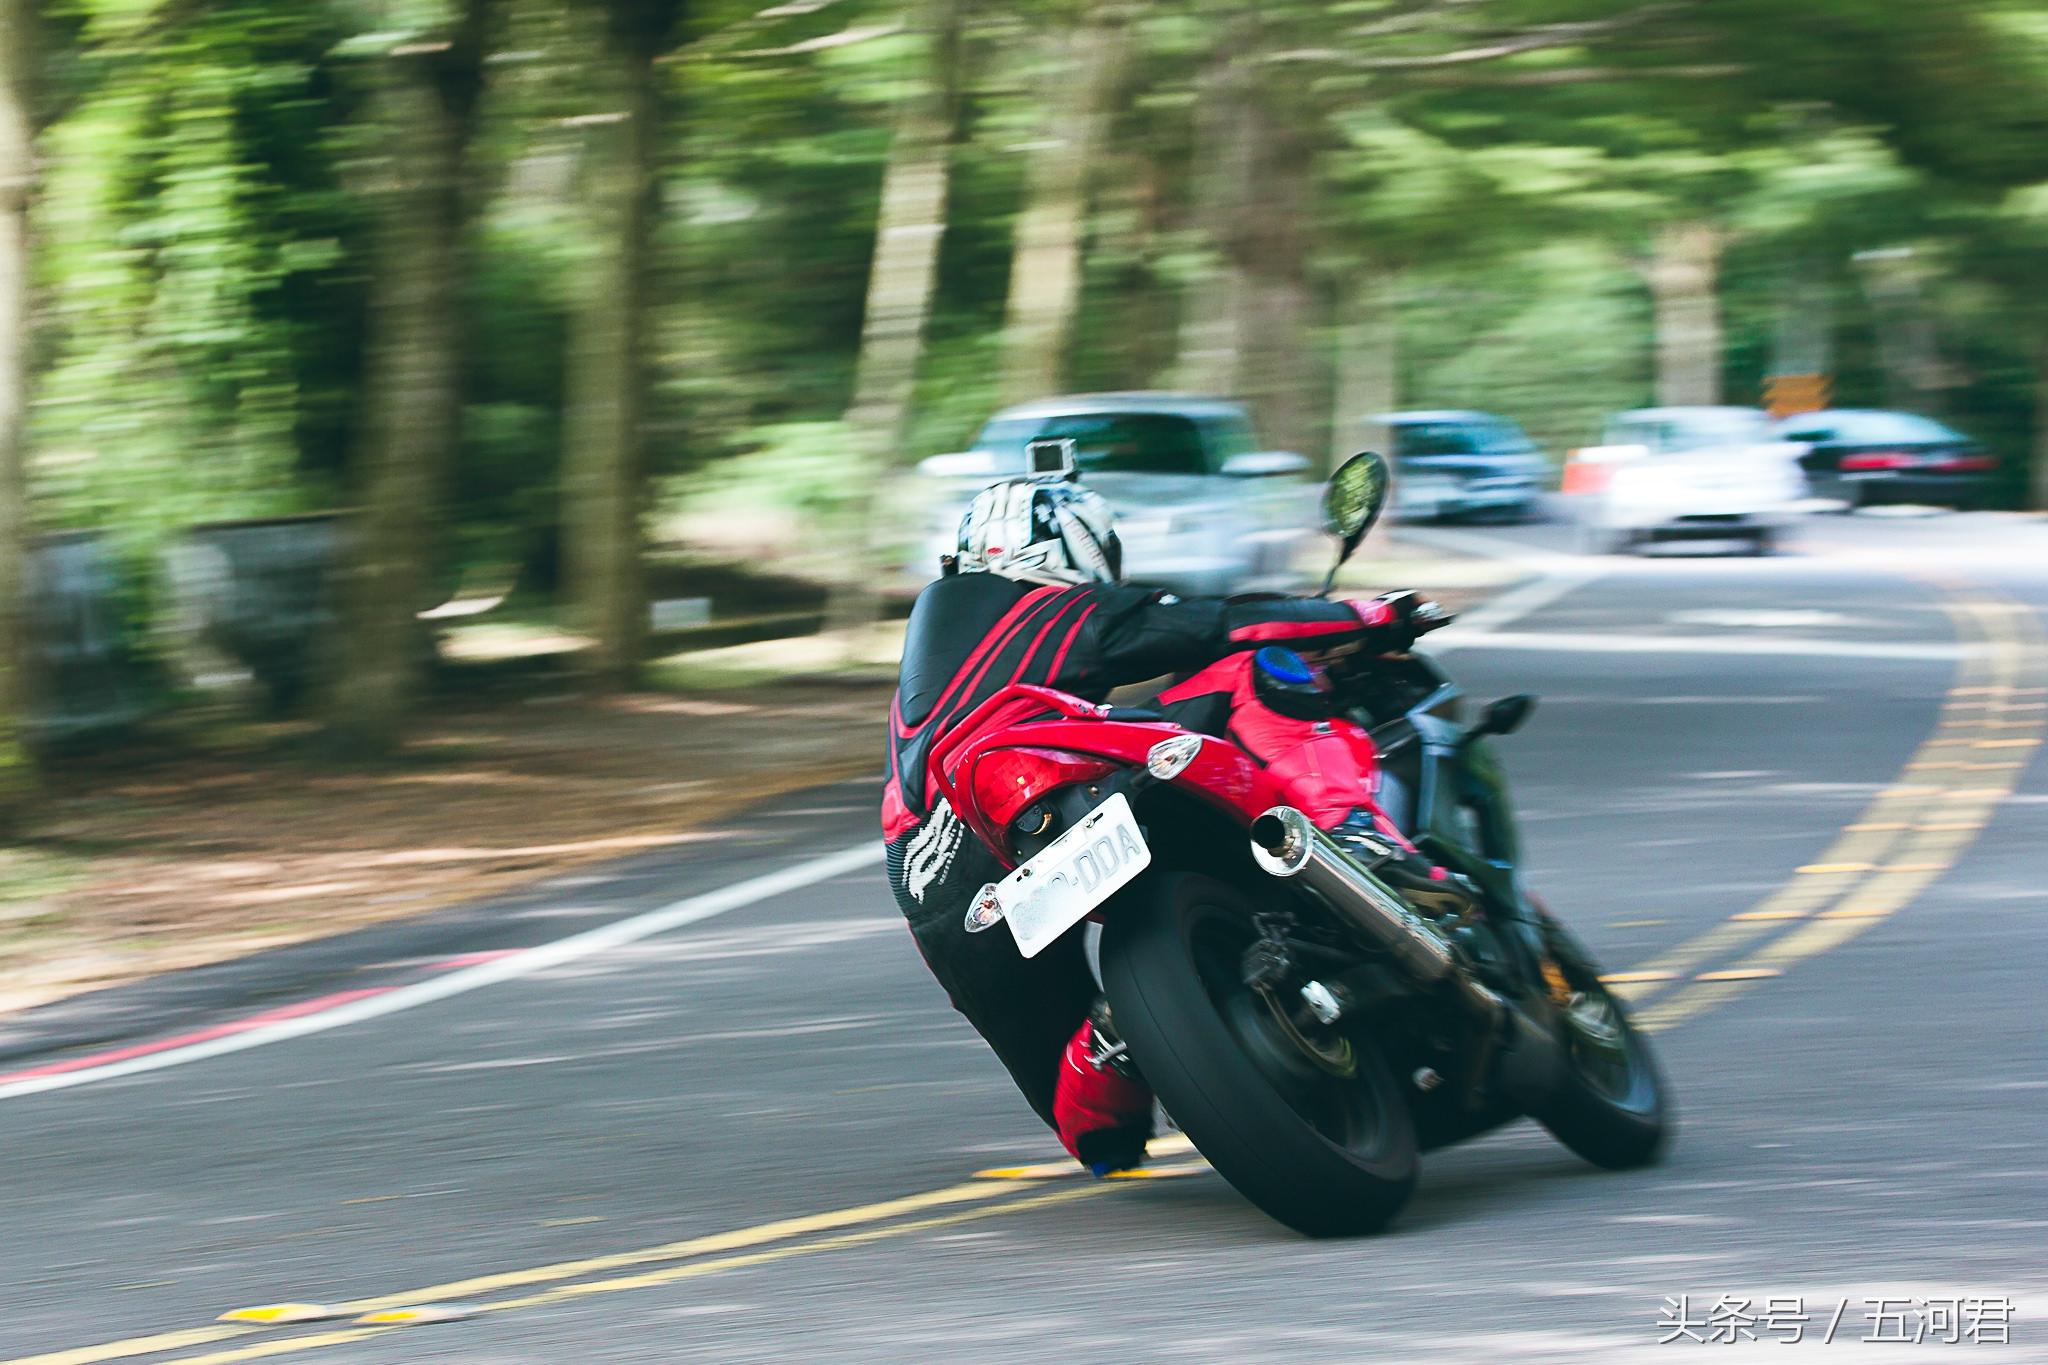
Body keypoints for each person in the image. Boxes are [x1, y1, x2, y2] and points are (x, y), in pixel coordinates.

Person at [881, 474, 1450, 1174]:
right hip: (1031, 773)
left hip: (931, 871)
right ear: (1066, 543)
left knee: (1094, 1134)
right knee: (1254, 667)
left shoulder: (932, 647)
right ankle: (1356, 832)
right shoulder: (1049, 608)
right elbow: (1223, 623)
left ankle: (1110, 1040)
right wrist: (1367, 616)